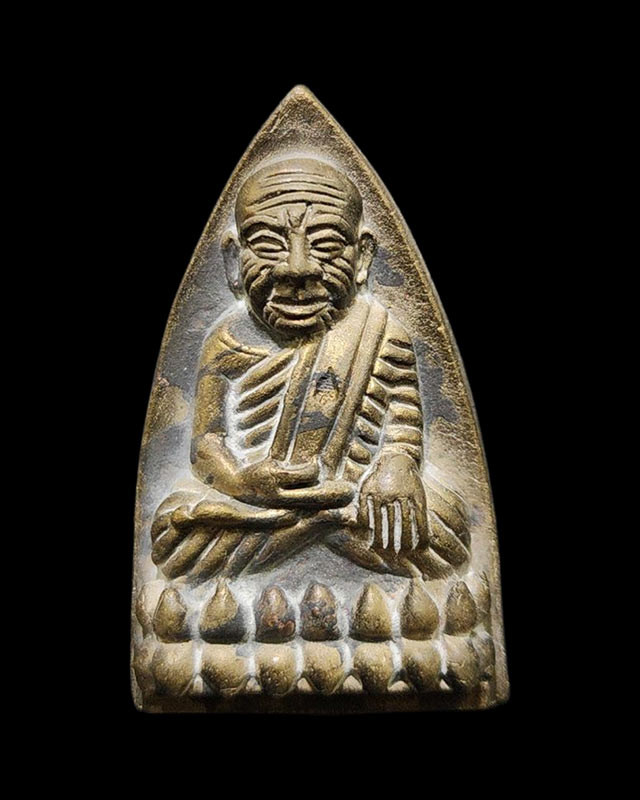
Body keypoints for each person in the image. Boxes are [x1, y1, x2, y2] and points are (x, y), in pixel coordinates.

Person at [150, 157, 468, 582]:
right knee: (171, 533)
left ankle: (317, 526)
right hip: (265, 507)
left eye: (326, 244)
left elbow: (403, 424)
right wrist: (242, 483)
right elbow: (207, 444)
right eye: (269, 244)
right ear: (233, 259)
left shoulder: (380, 331)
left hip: (357, 502)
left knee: (446, 529)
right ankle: (323, 524)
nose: (297, 268)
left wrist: (396, 467)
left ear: (362, 256)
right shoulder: (225, 340)